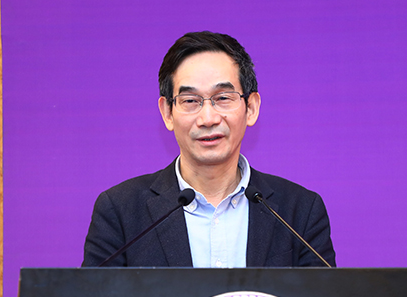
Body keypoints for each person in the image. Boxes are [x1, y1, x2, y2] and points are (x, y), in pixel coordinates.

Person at [82, 31, 335, 268]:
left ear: (251, 108)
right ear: (167, 112)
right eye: (190, 101)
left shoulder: (300, 211)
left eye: (223, 98)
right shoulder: (120, 211)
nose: (208, 119)